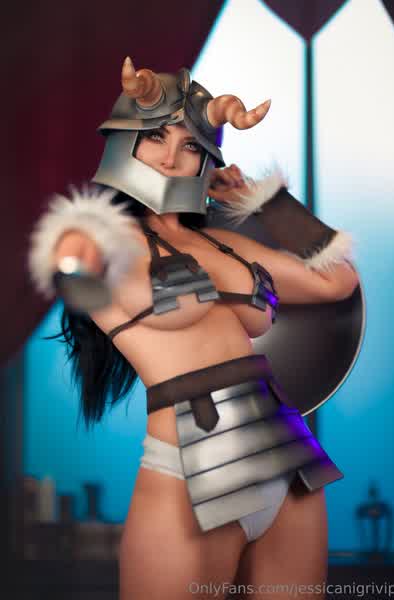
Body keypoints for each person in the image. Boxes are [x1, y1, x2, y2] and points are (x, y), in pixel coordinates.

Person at [28, 58, 359, 600]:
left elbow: (337, 283)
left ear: (205, 158)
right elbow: (73, 262)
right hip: (189, 469)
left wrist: (265, 200)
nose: (169, 157)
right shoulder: (107, 239)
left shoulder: (227, 244)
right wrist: (75, 252)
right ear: (126, 142)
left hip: (290, 461)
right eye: (156, 137)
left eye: (188, 145)